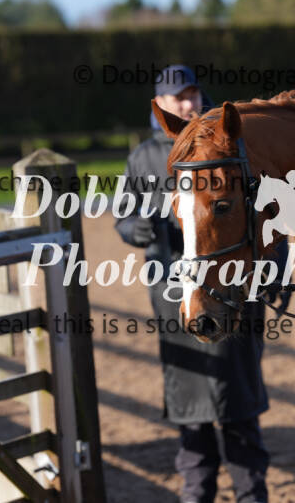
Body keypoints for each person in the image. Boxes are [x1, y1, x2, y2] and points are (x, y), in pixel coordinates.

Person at [114, 65, 274, 502]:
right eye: (178, 97)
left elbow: (265, 216)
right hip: (175, 295)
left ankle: (251, 492)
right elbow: (123, 218)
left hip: (231, 289)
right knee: (189, 402)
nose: (188, 104)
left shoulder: (231, 147)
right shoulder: (144, 157)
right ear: (161, 106)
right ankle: (196, 492)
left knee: (239, 398)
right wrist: (139, 229)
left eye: (192, 94)